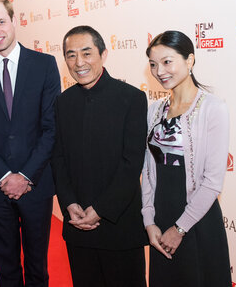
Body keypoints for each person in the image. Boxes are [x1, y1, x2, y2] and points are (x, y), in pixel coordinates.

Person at [0, 0, 60, 286]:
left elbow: (51, 128)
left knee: (38, 268)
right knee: (6, 270)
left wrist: (25, 175)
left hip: (36, 184)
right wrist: (5, 176)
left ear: (14, 21)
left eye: (1, 21)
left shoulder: (44, 65)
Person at [51, 25, 148, 287]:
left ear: (103, 54)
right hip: (77, 224)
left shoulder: (132, 99)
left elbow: (132, 165)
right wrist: (69, 203)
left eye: (86, 53)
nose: (79, 62)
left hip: (120, 226)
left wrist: (101, 210)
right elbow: (58, 159)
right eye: (71, 55)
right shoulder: (63, 102)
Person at [142, 30, 231, 286]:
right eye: (153, 64)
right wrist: (149, 220)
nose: (159, 71)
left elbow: (212, 182)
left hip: (197, 221)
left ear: (189, 61)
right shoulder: (154, 110)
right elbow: (148, 171)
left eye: (167, 62)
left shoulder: (213, 108)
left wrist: (180, 228)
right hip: (161, 217)